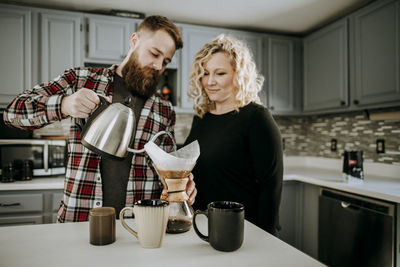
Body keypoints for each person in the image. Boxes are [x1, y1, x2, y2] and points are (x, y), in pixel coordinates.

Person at [3, 15, 196, 222]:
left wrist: (179, 181)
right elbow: (13, 113)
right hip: (79, 220)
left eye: (165, 61)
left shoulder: (164, 109)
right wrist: (65, 104)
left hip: (139, 225)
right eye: (154, 53)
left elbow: (166, 171)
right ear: (134, 41)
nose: (158, 66)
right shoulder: (81, 80)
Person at [184, 34, 283, 235]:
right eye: (204, 73)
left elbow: (271, 186)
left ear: (239, 75)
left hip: (244, 230)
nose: (210, 81)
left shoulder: (257, 117)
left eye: (220, 73)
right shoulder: (201, 117)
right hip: (203, 226)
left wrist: (266, 238)